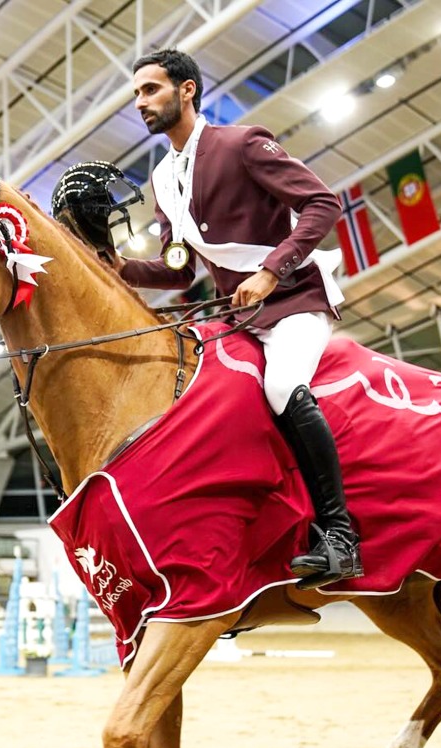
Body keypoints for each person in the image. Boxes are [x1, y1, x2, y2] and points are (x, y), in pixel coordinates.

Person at [115, 48, 361, 589]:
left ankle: (340, 537)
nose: (140, 102)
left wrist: (273, 270)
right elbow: (179, 267)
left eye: (151, 89)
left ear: (186, 91)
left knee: (281, 386)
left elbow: (323, 204)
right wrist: (118, 267)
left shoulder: (243, 143)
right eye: (136, 93)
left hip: (295, 299)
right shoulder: (162, 179)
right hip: (241, 315)